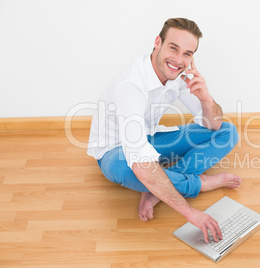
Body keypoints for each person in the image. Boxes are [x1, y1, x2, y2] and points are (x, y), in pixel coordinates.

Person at [87, 18, 240, 243]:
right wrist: (191, 213)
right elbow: (139, 161)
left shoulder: (178, 74)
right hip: (115, 152)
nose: (178, 60)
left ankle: (155, 191)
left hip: (150, 139)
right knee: (128, 168)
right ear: (158, 42)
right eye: (173, 48)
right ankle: (196, 183)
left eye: (187, 54)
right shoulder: (131, 88)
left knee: (228, 132)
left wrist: (206, 97)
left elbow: (213, 125)